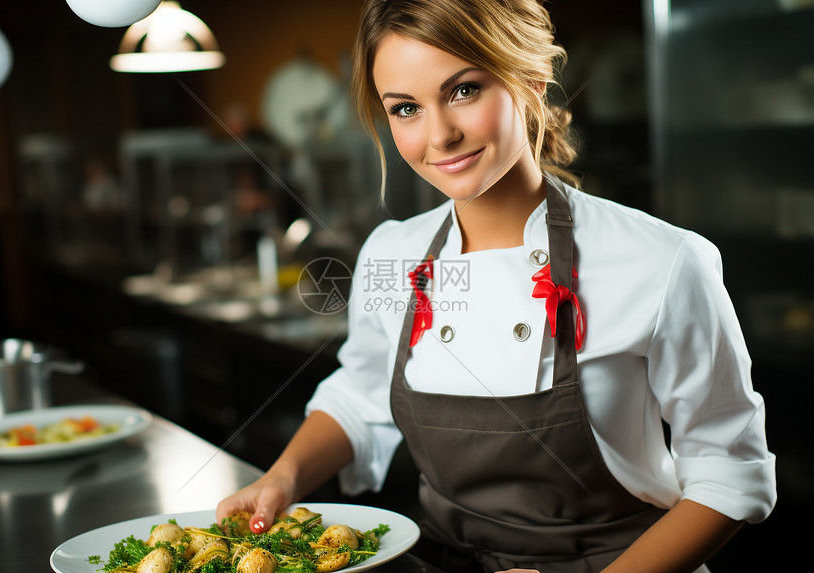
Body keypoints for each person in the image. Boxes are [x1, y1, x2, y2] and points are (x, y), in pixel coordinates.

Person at [217, 1, 777, 572]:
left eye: (464, 90)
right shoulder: (392, 254)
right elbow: (362, 394)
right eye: (406, 108)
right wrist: (283, 478)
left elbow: (729, 475)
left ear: (530, 81)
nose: (440, 135)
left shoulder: (660, 260)